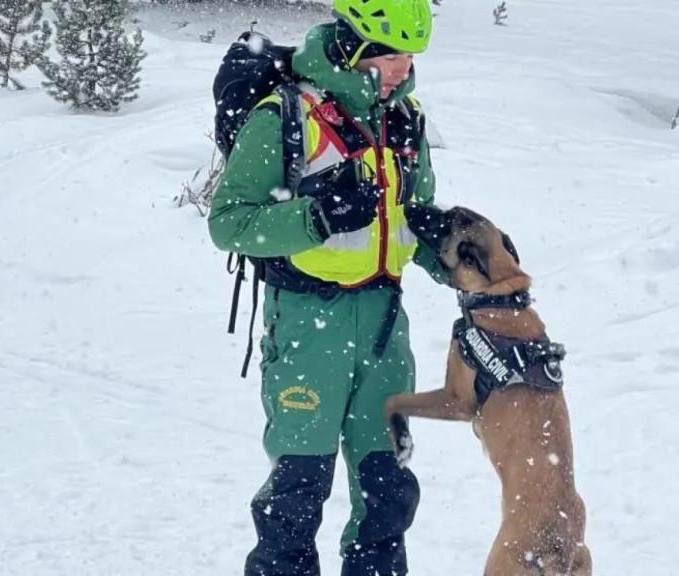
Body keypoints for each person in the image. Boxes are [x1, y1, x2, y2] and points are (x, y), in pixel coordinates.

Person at [207, 1, 446, 574]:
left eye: (410, 57)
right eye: (391, 55)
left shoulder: (405, 119)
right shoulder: (286, 116)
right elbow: (228, 222)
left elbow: (417, 214)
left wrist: (476, 266)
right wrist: (317, 217)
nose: (403, 69)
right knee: (296, 493)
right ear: (353, 46)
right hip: (308, 330)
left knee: (387, 495)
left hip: (387, 330)